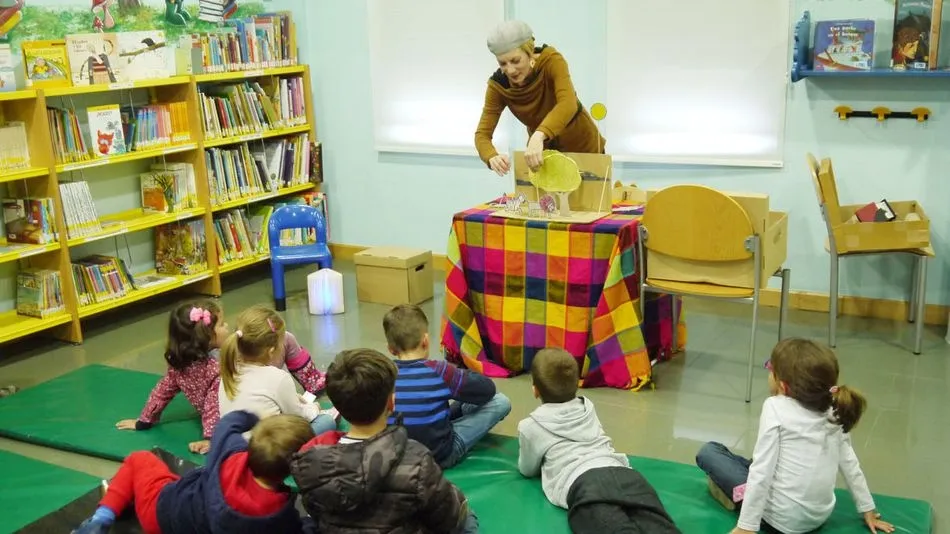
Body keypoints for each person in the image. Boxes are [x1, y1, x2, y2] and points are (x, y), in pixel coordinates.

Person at [695, 338, 894, 534]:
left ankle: (733, 496)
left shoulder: (775, 407)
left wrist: (747, 526)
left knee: (710, 452)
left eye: (769, 368)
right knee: (753, 461)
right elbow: (850, 463)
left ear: (783, 385)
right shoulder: (834, 408)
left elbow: (762, 472)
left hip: (778, 522)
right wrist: (868, 509)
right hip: (818, 518)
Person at [291, 348, 477, 533]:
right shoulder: (416, 460)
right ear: (391, 403)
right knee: (467, 517)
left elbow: (315, 515)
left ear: (337, 406)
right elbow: (449, 518)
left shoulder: (309, 466)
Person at [71, 410, 316, 534]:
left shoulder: (229, 454)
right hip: (189, 523)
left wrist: (253, 417)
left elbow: (228, 423)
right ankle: (123, 502)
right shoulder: (277, 513)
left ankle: (101, 519)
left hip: (162, 511)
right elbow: (297, 528)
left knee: (140, 459)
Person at [519, 348, 680, 534]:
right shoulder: (587, 406)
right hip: (627, 476)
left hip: (586, 486)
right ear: (576, 384)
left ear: (535, 390)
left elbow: (527, 469)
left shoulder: (530, 425)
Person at [383, 304, 511, 469]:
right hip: (439, 457)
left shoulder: (382, 374)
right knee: (500, 402)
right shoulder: (440, 370)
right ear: (426, 340)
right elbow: (487, 390)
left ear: (391, 349)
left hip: (397, 456)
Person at [475, 20, 606, 176]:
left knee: (589, 199)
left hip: (582, 146)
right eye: (502, 63)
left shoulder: (551, 61)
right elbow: (482, 134)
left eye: (516, 61)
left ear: (529, 52)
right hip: (543, 154)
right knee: (545, 200)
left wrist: (539, 135)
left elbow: (568, 103)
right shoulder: (498, 86)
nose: (510, 70)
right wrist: (491, 156)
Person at [115, 300, 229, 454]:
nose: (227, 326)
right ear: (207, 337)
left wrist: (144, 420)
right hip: (230, 413)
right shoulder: (215, 369)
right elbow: (213, 404)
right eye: (222, 325)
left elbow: (162, 391)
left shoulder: (180, 365)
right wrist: (211, 438)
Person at [218, 305, 337, 436]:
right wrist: (314, 407)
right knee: (327, 421)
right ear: (271, 351)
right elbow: (300, 417)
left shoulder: (229, 371)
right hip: (266, 448)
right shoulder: (278, 377)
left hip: (234, 444)